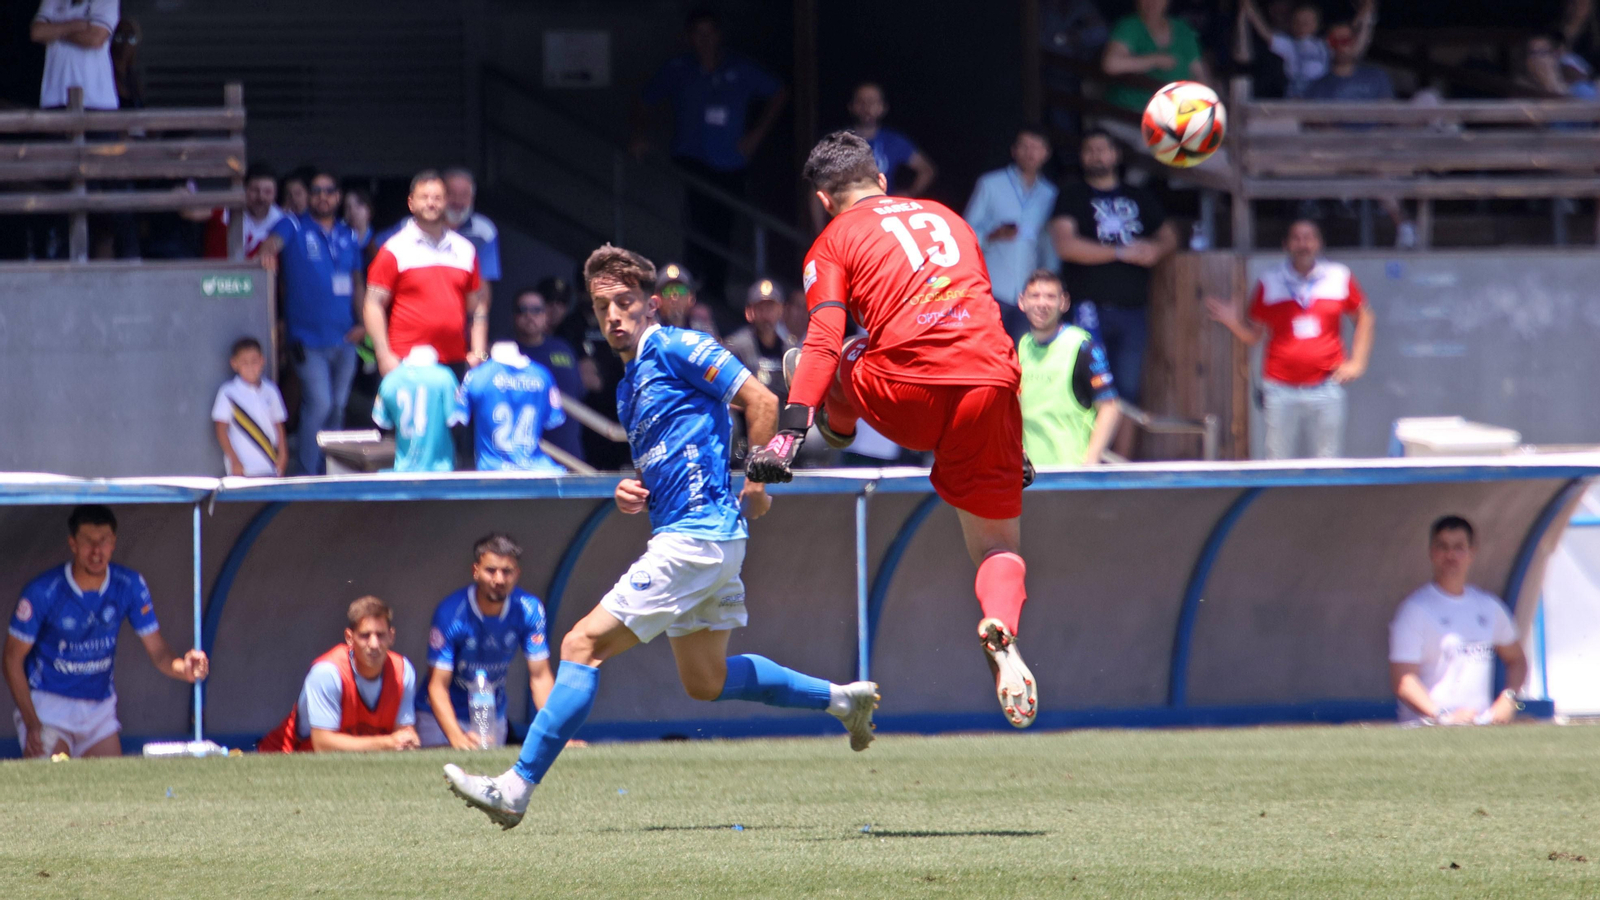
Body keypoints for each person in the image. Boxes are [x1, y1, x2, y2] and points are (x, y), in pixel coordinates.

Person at [444, 245, 879, 829]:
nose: (614, 316)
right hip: (701, 539)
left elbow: (762, 400)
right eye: (602, 307)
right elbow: (674, 450)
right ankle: (843, 699)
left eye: (625, 303)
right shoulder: (628, 388)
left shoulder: (676, 345)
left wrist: (758, 479)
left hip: (697, 539)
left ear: (650, 306)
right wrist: (636, 488)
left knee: (578, 645)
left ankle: (515, 787)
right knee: (707, 681)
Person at [747, 131, 1038, 728]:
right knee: (999, 547)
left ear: (826, 201)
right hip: (990, 388)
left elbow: (826, 336)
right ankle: (1001, 626)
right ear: (882, 181)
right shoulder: (948, 218)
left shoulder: (832, 241)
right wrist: (1017, 442)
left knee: (825, 354)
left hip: (906, 391)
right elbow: (983, 320)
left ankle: (838, 419)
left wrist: (789, 434)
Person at [4, 506, 208, 759]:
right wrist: (32, 722)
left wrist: (184, 668)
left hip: (99, 711)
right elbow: (12, 659)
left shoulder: (129, 584)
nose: (96, 551)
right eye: (88, 541)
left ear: (114, 543)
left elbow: (158, 650)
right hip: (49, 708)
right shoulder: (44, 590)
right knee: (54, 784)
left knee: (112, 790)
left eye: (104, 541)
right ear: (73, 544)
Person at [635, 9, 787, 310]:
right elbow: (644, 100)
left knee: (723, 227)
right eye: (698, 34)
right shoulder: (679, 69)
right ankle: (690, 290)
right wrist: (639, 135)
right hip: (691, 159)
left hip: (730, 161)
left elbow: (779, 92)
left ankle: (715, 291)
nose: (704, 40)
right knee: (695, 225)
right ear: (690, 37)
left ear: (719, 35)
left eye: (709, 33)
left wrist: (756, 135)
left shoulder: (739, 68)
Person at [1048, 129, 1176, 456]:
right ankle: (1086, 459)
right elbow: (1065, 245)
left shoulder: (1139, 196)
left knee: (1128, 390)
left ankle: (1121, 464)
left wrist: (1155, 249)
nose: (1096, 155)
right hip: (1087, 308)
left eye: (1103, 149)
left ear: (1116, 155)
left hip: (1135, 310)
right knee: (1088, 386)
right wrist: (1121, 253)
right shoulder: (1072, 195)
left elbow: (1170, 235)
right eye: (1089, 149)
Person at [1204, 219, 1374, 459]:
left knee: (1328, 460)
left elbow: (1365, 317)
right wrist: (1233, 321)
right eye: (1297, 238)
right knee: (1277, 460)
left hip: (1326, 385)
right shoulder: (1269, 281)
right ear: (1286, 244)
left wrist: (1358, 363)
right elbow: (1254, 335)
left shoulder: (1339, 276)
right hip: (1279, 388)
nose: (1303, 244)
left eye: (1309, 237)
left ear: (1319, 243)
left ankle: (1324, 498)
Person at [260, 170, 366, 475]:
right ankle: (307, 471)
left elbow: (358, 282)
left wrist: (362, 323)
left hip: (345, 337)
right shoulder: (292, 224)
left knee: (338, 406)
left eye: (330, 191)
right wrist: (268, 255)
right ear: (308, 195)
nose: (323, 196)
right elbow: (270, 245)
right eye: (317, 191)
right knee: (320, 403)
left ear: (339, 196)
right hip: (307, 338)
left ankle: (332, 469)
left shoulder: (348, 234)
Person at [416, 534, 553, 749]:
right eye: (491, 570)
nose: (499, 580)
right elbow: (437, 685)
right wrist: (456, 737)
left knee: (490, 779)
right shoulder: (450, 612)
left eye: (507, 571)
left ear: (517, 574)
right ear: (476, 571)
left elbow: (540, 676)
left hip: (491, 713)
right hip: (440, 716)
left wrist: (555, 734)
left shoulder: (529, 609)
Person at [1389, 516, 1527, 726]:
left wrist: (1509, 699)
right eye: (1442, 547)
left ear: (1472, 552)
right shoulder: (1414, 610)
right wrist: (1443, 716)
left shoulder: (1489, 607)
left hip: (1480, 728)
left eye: (1459, 547)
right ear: (1431, 553)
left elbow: (1517, 660)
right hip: (1426, 731)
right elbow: (1403, 681)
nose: (1450, 555)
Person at [364, 170, 489, 378]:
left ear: (446, 202)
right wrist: (384, 355)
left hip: (454, 361)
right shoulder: (394, 249)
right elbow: (372, 304)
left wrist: (479, 351)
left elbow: (477, 305)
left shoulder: (466, 250)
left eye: (438, 198)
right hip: (405, 361)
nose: (431, 203)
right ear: (411, 203)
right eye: (424, 198)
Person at [258, 596, 419, 753]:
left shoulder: (403, 671)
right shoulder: (327, 672)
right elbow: (323, 744)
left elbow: (403, 733)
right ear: (349, 638)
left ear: (391, 636)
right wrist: (387, 743)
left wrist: (408, 739)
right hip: (286, 760)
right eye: (365, 636)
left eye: (380, 635)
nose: (374, 644)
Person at [963, 124, 1060, 340]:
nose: (1030, 153)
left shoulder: (1050, 193)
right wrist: (992, 235)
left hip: (1030, 293)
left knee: (1022, 357)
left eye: (1037, 147)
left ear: (1046, 153)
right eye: (1025, 146)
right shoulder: (990, 184)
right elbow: (964, 235)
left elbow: (1050, 244)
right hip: (992, 288)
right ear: (1014, 150)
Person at [1017, 271, 1120, 466]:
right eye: (1035, 296)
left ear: (1063, 303)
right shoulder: (1021, 346)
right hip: (1028, 476)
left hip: (1070, 474)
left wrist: (1091, 460)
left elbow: (1110, 407)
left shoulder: (1082, 346)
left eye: (1050, 297)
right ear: (1022, 302)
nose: (1042, 304)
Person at [513, 286, 593, 464]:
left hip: (569, 453)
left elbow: (581, 390)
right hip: (525, 458)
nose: (529, 316)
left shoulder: (563, 348)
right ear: (514, 316)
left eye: (536, 310)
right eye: (522, 310)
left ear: (545, 315)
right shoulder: (507, 355)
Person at [461, 342, 566, 472]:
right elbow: (553, 419)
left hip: (492, 467)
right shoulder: (543, 375)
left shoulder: (477, 376)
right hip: (537, 468)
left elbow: (459, 417)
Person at [1101, 0, 1209, 113]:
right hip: (1129, 113)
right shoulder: (1129, 26)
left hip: (1176, 113)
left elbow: (1200, 74)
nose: (1151, 2)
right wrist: (1155, 60)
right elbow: (1110, 64)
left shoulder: (1183, 29)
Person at [372, 344, 467, 472]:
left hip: (402, 468)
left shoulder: (390, 380)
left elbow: (381, 423)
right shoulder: (445, 377)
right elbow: (455, 420)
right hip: (440, 468)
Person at [211, 337, 288, 477]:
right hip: (243, 469)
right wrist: (234, 461)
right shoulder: (228, 392)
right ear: (234, 364)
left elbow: (279, 424)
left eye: (254, 361)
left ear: (262, 361)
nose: (250, 367)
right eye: (244, 363)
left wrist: (283, 455)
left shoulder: (271, 390)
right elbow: (220, 428)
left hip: (270, 465)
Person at [848, 83, 935, 197]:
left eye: (873, 101)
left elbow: (927, 170)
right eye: (861, 101)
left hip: (882, 208)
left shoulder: (894, 140)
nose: (867, 107)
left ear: (883, 108)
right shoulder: (837, 141)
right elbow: (820, 182)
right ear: (851, 106)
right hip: (849, 210)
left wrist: (907, 194)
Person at [32, 0, 119, 110]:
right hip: (54, 97)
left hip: (97, 100)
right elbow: (37, 33)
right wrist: (74, 26)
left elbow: (95, 39)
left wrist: (54, 31)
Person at [723, 278, 797, 403]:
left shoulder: (789, 349)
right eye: (760, 308)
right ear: (749, 312)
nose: (766, 315)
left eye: (771, 308)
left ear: (781, 310)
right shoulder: (735, 348)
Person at [656, 262, 698, 328]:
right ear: (657, 300)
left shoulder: (702, 333)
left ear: (691, 299)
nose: (674, 297)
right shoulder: (650, 333)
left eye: (680, 290)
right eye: (667, 291)